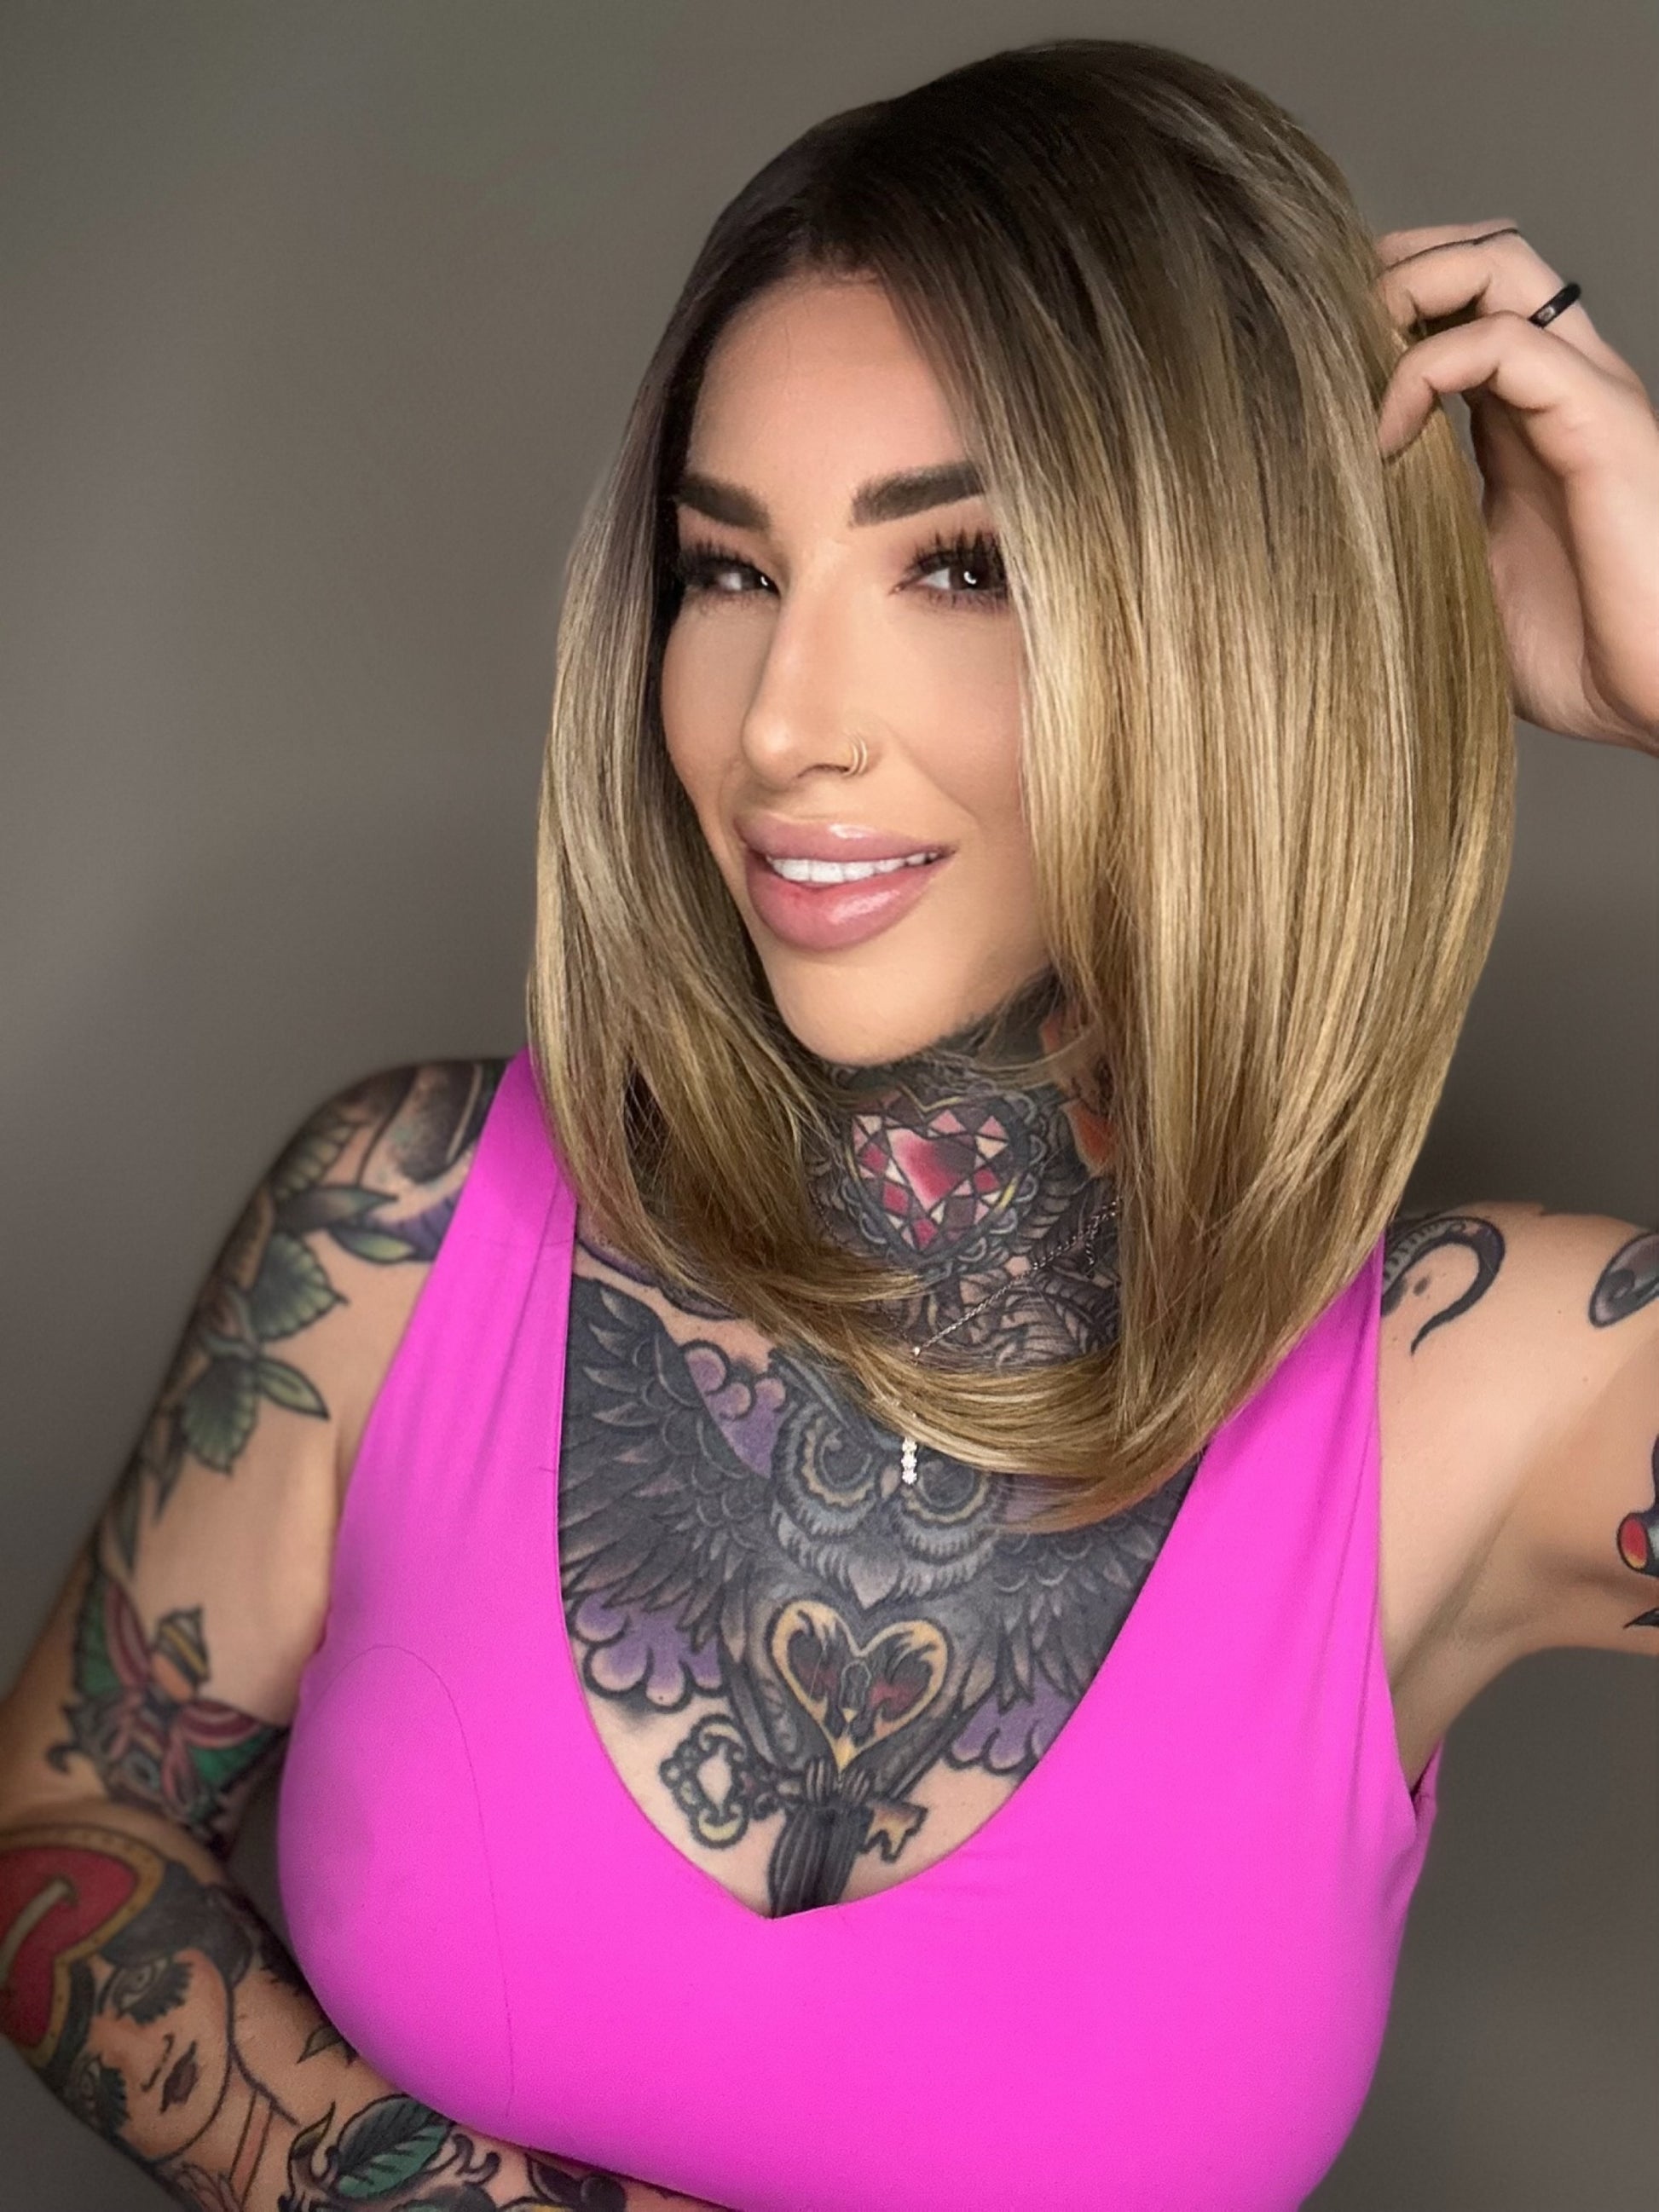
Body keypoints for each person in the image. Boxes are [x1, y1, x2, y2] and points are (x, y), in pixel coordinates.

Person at [3, 33, 1656, 2212]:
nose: (783, 723)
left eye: (957, 565)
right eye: (729, 570)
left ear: (1232, 623)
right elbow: (75, 1822)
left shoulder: (1489, 1391)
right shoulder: (396, 1224)